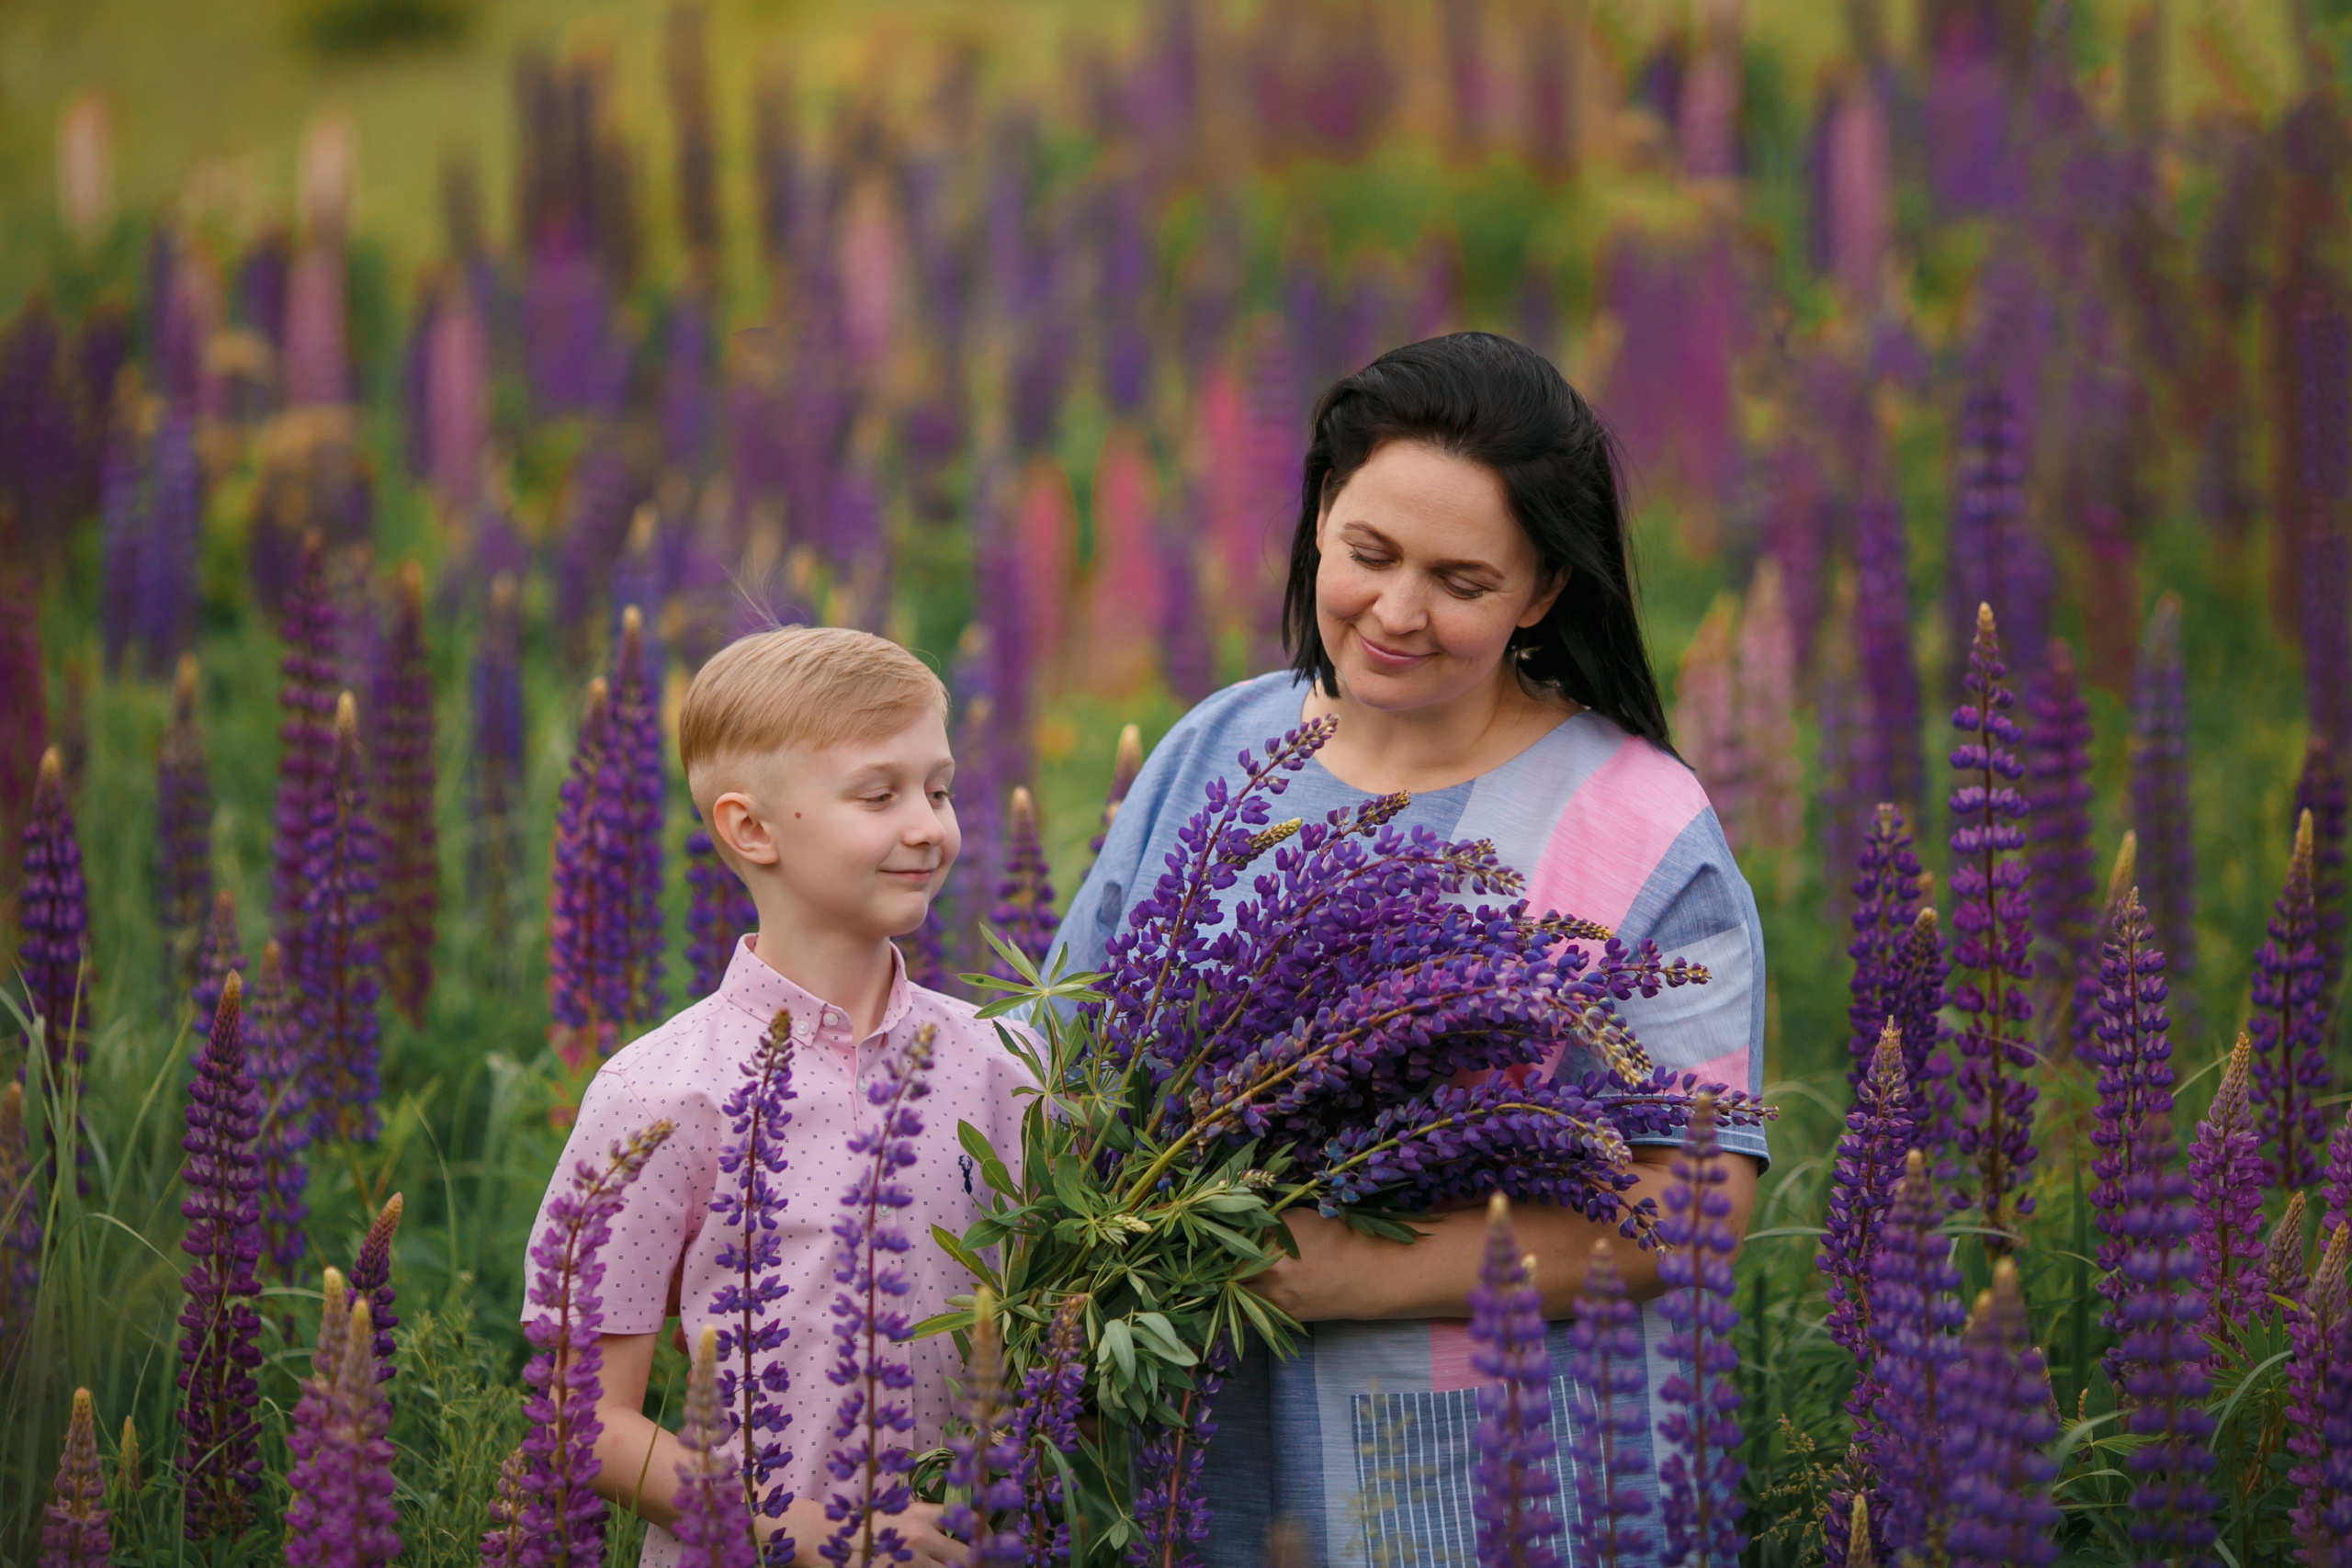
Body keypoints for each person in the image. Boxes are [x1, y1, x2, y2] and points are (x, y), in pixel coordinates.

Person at [1050, 333, 1768, 1568]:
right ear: (1320, 515)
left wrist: (1341, 1274)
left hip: (1496, 1485)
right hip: (1186, 1454)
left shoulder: (1639, 821)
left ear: (1543, 589)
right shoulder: (1219, 752)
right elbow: (1067, 1065)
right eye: (1367, 552)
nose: (1395, 610)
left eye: (1461, 578)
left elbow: (1694, 1200)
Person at [522, 626, 1029, 1568]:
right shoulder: (661, 1091)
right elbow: (578, 1413)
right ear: (748, 828)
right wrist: (789, 1529)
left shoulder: (1005, 1064)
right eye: (879, 795)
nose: (927, 824)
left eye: (940, 788)